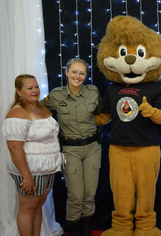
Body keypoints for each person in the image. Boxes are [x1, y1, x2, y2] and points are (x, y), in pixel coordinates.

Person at [41, 58, 102, 236]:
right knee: (76, 195)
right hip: (70, 150)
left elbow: (100, 114)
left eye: (82, 73)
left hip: (92, 148)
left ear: (86, 75)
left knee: (90, 194)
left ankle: (86, 230)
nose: (78, 76)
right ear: (66, 72)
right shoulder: (56, 95)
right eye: (74, 72)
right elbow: (38, 109)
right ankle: (74, 232)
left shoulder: (93, 92)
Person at [1, 74, 64, 236]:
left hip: (46, 168)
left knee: (37, 205)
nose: (35, 90)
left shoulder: (39, 107)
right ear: (19, 91)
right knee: (28, 209)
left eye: (36, 86)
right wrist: (26, 177)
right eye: (30, 88)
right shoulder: (17, 113)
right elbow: (15, 149)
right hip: (30, 169)